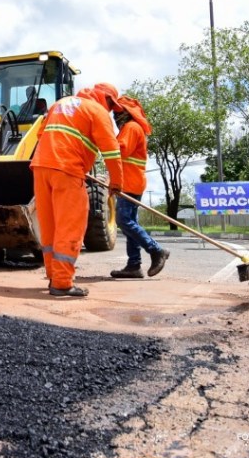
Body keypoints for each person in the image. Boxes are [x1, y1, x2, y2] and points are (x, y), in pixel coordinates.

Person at [31, 82, 125, 297]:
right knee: (71, 224)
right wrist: (117, 183)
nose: (111, 110)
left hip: (41, 166)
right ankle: (62, 283)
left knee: (50, 224)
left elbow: (40, 136)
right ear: (106, 99)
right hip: (67, 169)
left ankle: (53, 275)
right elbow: (111, 151)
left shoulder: (60, 103)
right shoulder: (98, 111)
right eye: (112, 105)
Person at [109, 95, 170, 279]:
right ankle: (134, 265)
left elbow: (121, 149)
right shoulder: (131, 127)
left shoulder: (131, 127)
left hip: (130, 182)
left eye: (118, 112)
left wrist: (102, 141)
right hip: (131, 181)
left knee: (124, 221)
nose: (115, 116)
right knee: (130, 223)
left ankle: (156, 250)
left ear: (126, 113)